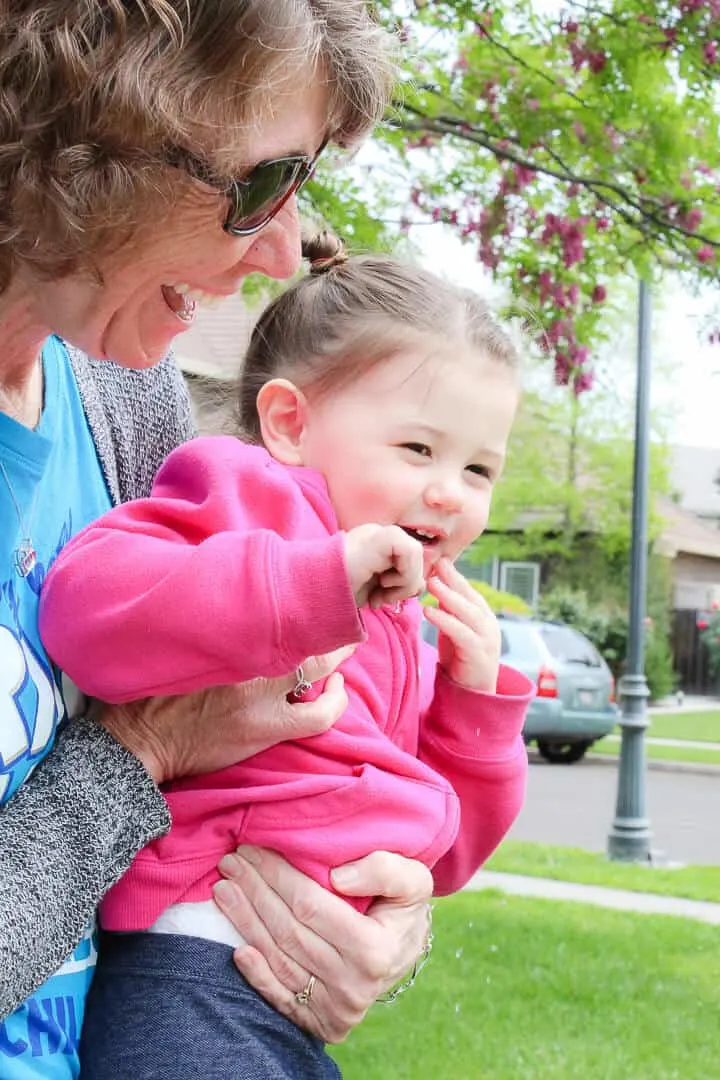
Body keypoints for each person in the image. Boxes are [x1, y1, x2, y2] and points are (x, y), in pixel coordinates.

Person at [0, 3, 435, 1075]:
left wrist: (364, 916)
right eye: (259, 187)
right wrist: (142, 753)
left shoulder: (123, 394)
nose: (285, 248)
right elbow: (157, 753)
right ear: (80, 139)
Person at [40, 236, 534, 1079]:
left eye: (480, 468)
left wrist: (476, 709)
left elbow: (441, 860)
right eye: (418, 450)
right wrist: (311, 586)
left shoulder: (400, 621)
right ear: (291, 423)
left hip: (289, 995)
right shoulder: (253, 503)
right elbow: (88, 612)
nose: (451, 491)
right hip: (193, 961)